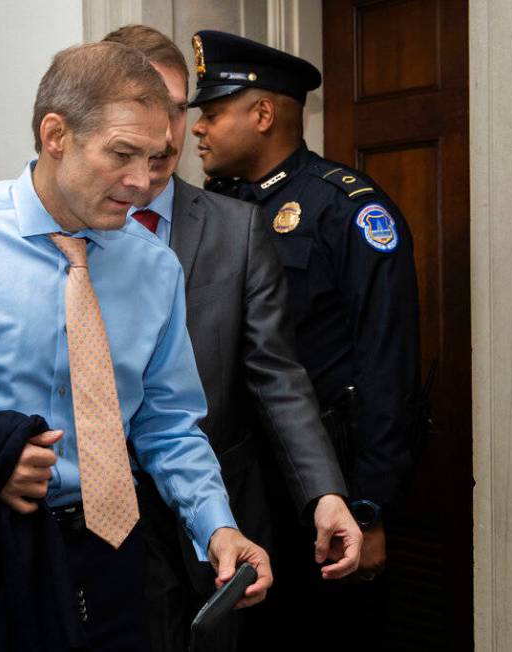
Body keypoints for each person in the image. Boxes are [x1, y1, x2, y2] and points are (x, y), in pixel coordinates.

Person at [0, 41, 271, 651]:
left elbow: (167, 423)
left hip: (111, 559)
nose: (142, 181)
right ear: (55, 134)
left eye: (154, 158)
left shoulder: (155, 269)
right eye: (122, 154)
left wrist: (218, 527)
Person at [102, 25, 362, 652]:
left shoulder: (236, 228)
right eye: (143, 110)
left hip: (214, 510)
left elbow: (277, 376)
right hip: (94, 516)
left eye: (175, 109)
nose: (166, 135)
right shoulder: (60, 233)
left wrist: (324, 494)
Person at [189, 30, 422, 648]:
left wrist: (370, 510)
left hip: (329, 483)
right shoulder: (215, 209)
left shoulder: (347, 211)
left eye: (212, 113)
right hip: (240, 478)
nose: (197, 130)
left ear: (262, 114)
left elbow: (386, 370)